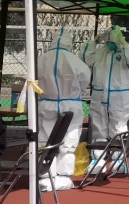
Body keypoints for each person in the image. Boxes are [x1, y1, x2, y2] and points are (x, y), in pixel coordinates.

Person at [36, 27, 91, 191]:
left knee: (45, 139)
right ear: (69, 44)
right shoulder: (75, 61)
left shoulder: (41, 59)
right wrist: (74, 92)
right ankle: (63, 176)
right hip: (70, 103)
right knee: (69, 138)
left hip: (47, 103)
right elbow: (85, 80)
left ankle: (46, 175)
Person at [84, 25, 129, 145]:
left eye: (112, 42)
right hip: (100, 96)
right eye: (107, 42)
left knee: (118, 128)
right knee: (98, 127)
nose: (109, 44)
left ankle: (117, 154)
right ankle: (98, 154)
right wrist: (93, 42)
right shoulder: (100, 53)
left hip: (119, 98)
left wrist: (123, 42)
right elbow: (85, 58)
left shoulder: (125, 53)